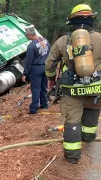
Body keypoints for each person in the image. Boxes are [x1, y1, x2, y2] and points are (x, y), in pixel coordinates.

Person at [45, 4, 101, 164]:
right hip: (96, 89)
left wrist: (50, 79)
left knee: (72, 121)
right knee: (92, 113)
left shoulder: (62, 41)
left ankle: (72, 158)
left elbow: (49, 64)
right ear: (91, 20)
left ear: (71, 22)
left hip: (72, 91)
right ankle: (88, 138)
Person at [22, 25, 50, 114]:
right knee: (43, 87)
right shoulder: (45, 41)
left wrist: (25, 73)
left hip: (36, 69)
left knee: (35, 89)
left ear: (30, 35)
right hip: (45, 67)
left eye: (26, 35)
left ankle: (33, 109)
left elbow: (28, 61)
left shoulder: (31, 46)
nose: (26, 36)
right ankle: (44, 105)